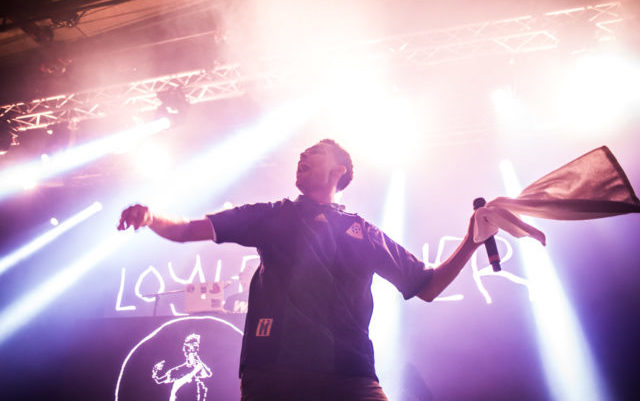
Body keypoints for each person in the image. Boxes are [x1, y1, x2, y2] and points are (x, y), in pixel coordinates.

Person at [118, 139, 480, 401]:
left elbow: (427, 286)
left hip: (349, 374)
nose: (302, 156)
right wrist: (151, 217)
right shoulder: (272, 215)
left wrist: (472, 240)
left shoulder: (364, 232)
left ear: (339, 171)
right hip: (275, 375)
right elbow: (185, 230)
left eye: (314, 152)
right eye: (301, 154)